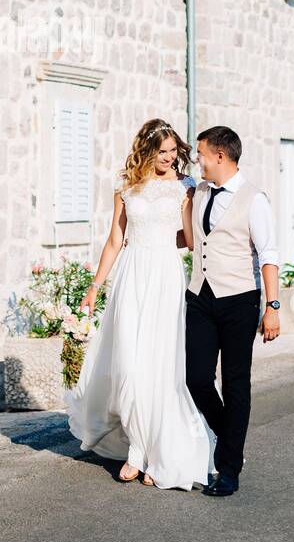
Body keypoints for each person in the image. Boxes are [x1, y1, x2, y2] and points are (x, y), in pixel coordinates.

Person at [66, 119, 216, 490]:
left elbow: (192, 239)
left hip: (165, 275)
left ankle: (156, 453)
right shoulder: (125, 187)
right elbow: (115, 239)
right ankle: (135, 446)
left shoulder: (185, 187)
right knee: (129, 366)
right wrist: (95, 286)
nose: (168, 158)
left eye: (172, 151)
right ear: (146, 151)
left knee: (162, 367)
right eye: (161, 152)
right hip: (131, 278)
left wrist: (164, 242)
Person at [183, 125, 280, 498]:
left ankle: (228, 469)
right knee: (197, 379)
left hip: (240, 299)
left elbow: (269, 256)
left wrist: (272, 307)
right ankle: (231, 443)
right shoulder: (199, 191)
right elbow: (192, 239)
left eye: (201, 154)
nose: (198, 160)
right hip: (200, 297)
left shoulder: (255, 199)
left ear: (220, 156)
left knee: (236, 383)